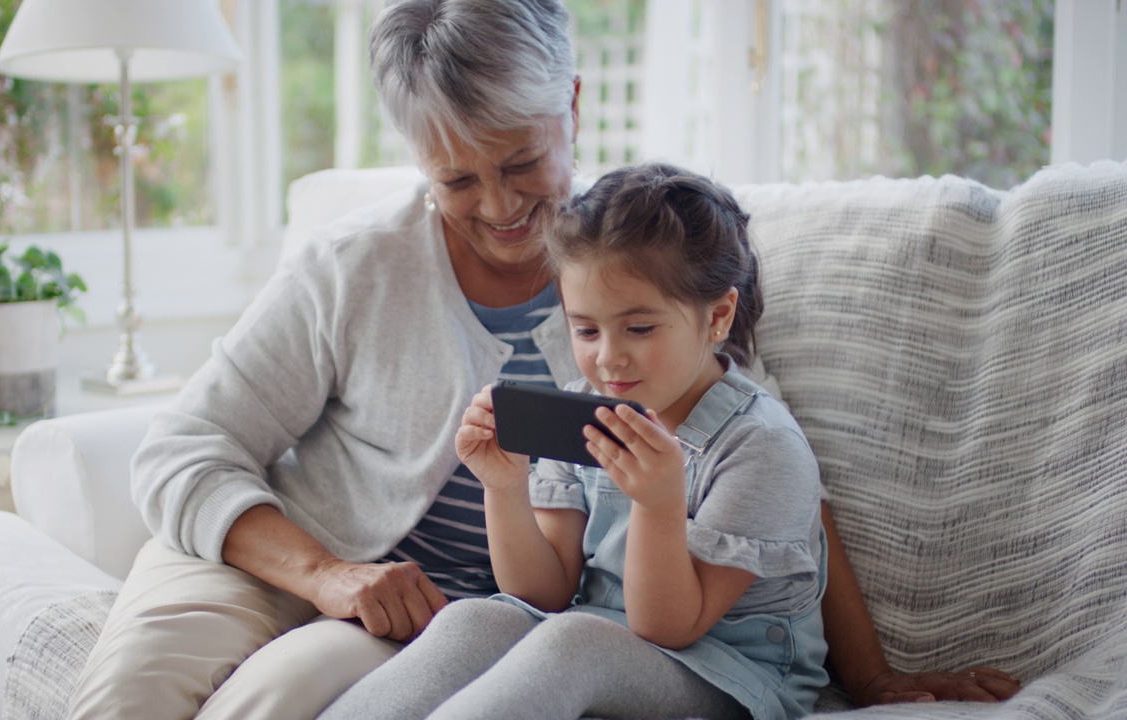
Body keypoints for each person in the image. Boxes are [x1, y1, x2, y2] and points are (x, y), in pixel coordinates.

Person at [65, 2, 1020, 719]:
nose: (497, 206)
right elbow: (183, 448)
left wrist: (875, 677)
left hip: (548, 629)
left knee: (293, 693)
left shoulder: (636, 266)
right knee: (136, 690)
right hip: (289, 550)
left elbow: (773, 484)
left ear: (571, 101)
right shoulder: (355, 268)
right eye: (454, 179)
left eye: (521, 162)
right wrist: (325, 574)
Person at [320, 163, 824, 720]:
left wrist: (659, 505)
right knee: (476, 617)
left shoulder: (761, 447)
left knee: (575, 641)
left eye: (639, 328)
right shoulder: (582, 409)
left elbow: (669, 627)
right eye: (586, 330)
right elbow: (542, 594)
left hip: (727, 670)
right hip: (601, 634)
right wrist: (505, 488)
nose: (607, 358)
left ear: (719, 315)